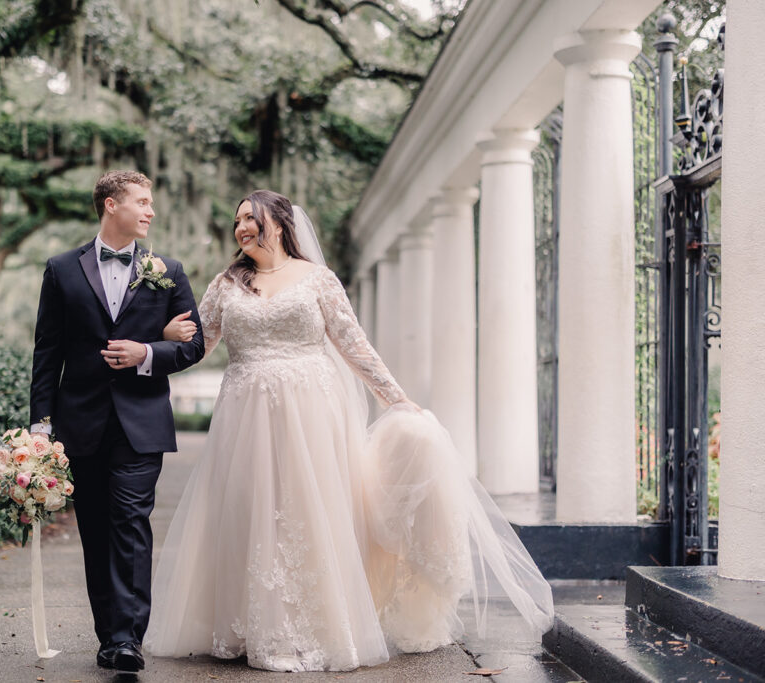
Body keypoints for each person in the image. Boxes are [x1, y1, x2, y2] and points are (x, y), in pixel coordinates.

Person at [146, 190, 553, 672]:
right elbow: (200, 344)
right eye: (237, 221)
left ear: (279, 222)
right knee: (249, 510)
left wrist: (398, 399)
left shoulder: (318, 280)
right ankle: (249, 625)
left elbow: (354, 346)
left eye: (251, 219)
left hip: (313, 411)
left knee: (307, 512)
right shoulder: (226, 284)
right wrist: (156, 344)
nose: (242, 228)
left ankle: (314, 626)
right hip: (245, 411)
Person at [28, 170, 204, 673]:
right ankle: (109, 633)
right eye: (142, 202)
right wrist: (41, 426)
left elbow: (193, 345)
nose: (150, 211)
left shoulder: (168, 270)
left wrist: (147, 350)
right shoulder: (61, 269)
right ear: (111, 205)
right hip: (79, 423)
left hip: (141, 423)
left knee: (130, 522)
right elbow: (48, 353)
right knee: (96, 530)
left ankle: (128, 638)